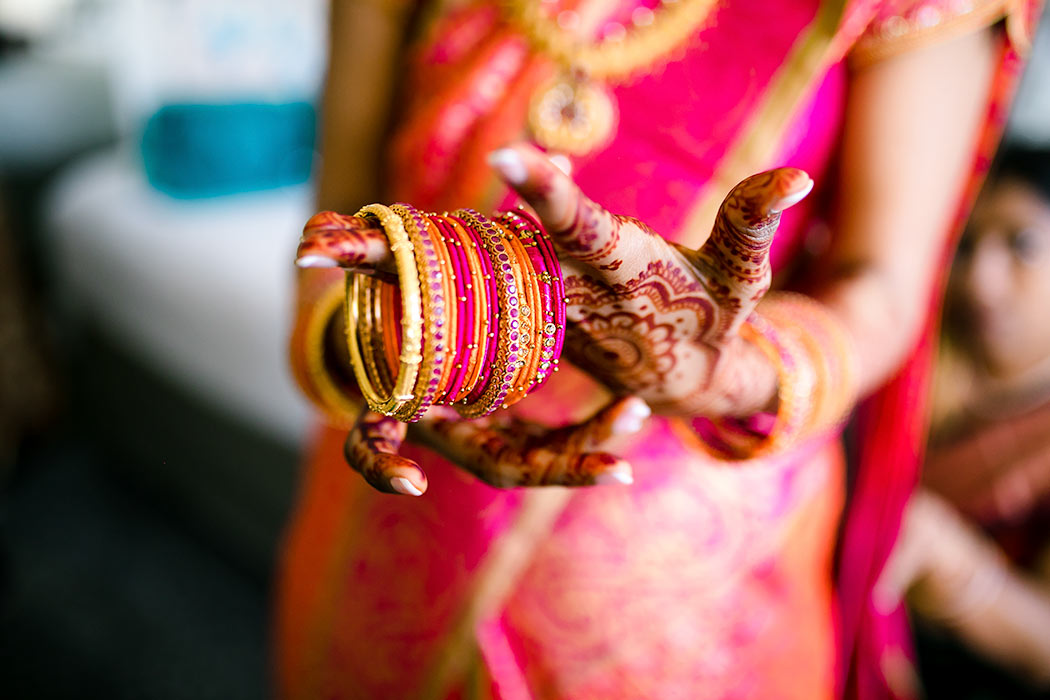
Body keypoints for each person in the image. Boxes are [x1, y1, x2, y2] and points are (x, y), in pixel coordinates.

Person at [281, 2, 1038, 698]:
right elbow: (338, 227)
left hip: (682, 603)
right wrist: (358, 348)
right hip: (389, 510)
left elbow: (883, 289)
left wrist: (735, 373)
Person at [878, 146, 1050, 689]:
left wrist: (954, 567)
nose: (981, 279)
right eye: (966, 243)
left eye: (1022, 245)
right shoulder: (906, 362)